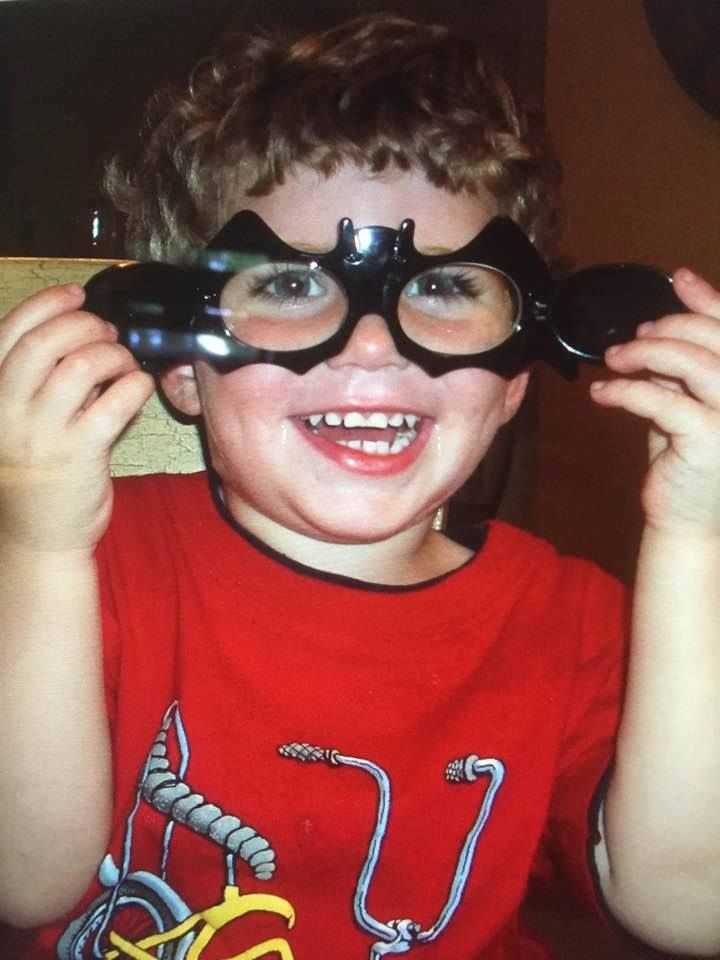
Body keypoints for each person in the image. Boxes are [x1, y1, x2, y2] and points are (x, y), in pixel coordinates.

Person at [1, 13, 720, 960]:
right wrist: (38, 551)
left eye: (451, 288)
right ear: (182, 356)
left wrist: (697, 538)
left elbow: (690, 909)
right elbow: (24, 879)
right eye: (292, 288)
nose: (373, 343)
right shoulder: (84, 570)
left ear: (515, 369)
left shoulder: (577, 625)